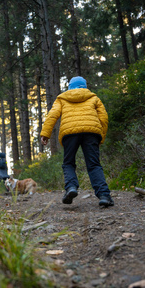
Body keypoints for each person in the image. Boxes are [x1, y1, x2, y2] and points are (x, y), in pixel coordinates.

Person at [40, 76, 114, 207]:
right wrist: (101, 135)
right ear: (84, 86)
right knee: (94, 165)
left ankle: (71, 187)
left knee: (68, 163)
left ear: (70, 87)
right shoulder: (93, 97)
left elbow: (52, 115)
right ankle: (104, 196)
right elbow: (103, 117)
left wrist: (46, 133)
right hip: (91, 132)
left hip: (69, 133)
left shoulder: (62, 98)